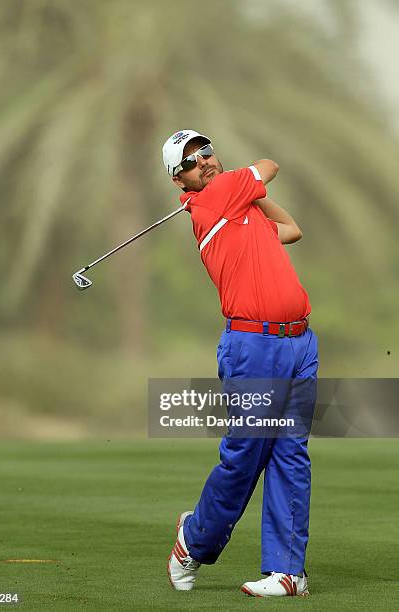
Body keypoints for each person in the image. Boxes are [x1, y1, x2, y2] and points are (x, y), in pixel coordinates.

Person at [162, 130, 318, 597]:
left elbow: (292, 230)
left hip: (299, 342)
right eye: (190, 163)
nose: (203, 162)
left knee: (291, 456)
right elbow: (268, 164)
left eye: (206, 153)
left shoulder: (238, 210)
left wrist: (254, 199)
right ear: (180, 181)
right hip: (253, 346)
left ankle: (288, 573)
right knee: (246, 455)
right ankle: (193, 541)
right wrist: (246, 185)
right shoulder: (214, 201)